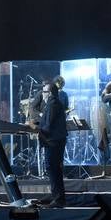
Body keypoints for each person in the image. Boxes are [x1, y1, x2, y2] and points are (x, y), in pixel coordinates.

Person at [38, 77, 69, 206]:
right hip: (55, 141)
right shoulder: (54, 103)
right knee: (54, 169)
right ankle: (55, 195)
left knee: (53, 169)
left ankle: (58, 198)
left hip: (53, 142)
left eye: (44, 92)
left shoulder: (52, 104)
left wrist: (35, 127)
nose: (42, 95)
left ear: (50, 93)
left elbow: (48, 126)